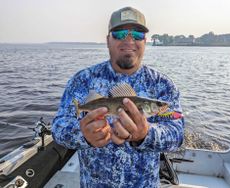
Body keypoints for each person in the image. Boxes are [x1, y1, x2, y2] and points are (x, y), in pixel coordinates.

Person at [52, 6, 184, 188]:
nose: (129, 40)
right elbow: (58, 129)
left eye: (137, 35)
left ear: (145, 41)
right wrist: (83, 135)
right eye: (120, 33)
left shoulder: (163, 85)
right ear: (108, 40)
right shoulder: (82, 80)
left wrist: (146, 134)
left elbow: (177, 135)